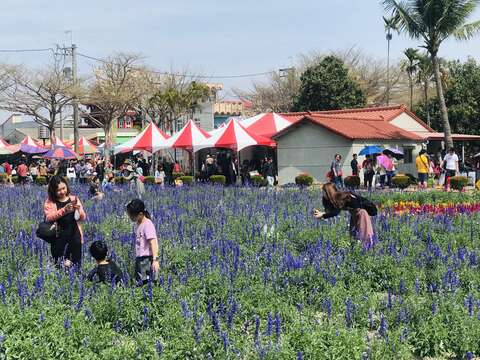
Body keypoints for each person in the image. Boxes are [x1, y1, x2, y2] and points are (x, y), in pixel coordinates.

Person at [313, 183, 377, 248]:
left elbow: (336, 212)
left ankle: (367, 251)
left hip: (362, 214)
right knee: (354, 235)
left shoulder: (341, 197)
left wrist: (323, 215)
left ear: (328, 191)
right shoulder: (337, 197)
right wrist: (322, 213)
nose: (322, 193)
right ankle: (355, 250)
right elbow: (333, 211)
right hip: (354, 214)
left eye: (323, 191)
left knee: (364, 235)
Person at [43, 176, 86, 268]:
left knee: (76, 265)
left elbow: (82, 217)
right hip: (58, 238)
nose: (62, 192)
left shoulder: (74, 199)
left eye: (64, 188)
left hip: (74, 236)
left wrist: (79, 210)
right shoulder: (50, 202)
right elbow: (49, 218)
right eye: (58, 190)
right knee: (59, 265)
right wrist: (64, 210)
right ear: (53, 191)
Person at [126, 199, 160, 285]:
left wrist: (155, 260)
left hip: (146, 259)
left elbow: (153, 243)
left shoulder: (148, 225)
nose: (130, 218)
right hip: (140, 259)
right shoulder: (138, 224)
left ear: (140, 214)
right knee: (139, 282)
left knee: (145, 283)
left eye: (132, 216)